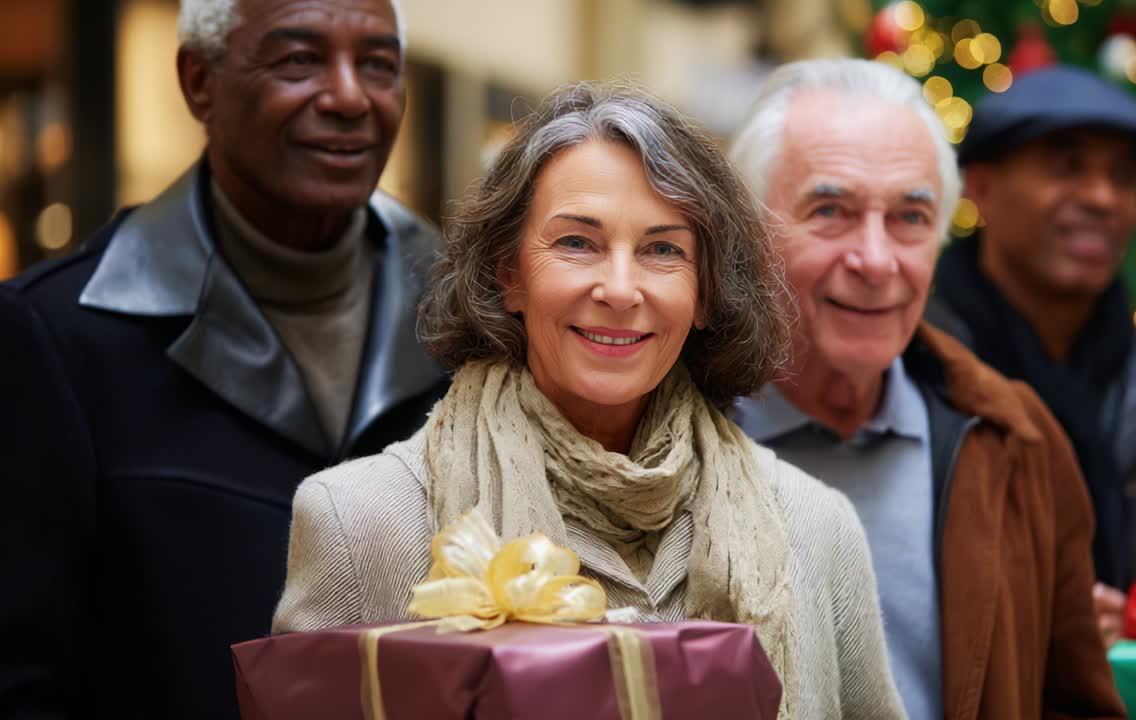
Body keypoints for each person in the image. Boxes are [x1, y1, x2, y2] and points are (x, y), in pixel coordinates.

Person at [272, 82, 907, 719]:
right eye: (577, 243)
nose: (621, 287)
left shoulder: (815, 527)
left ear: (707, 293)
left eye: (663, 250)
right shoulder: (359, 524)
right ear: (509, 273)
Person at [0, 1, 449, 717]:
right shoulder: (56, 336)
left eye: (377, 65)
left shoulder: (473, 325)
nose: (347, 96)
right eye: (299, 60)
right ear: (200, 81)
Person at [729, 59, 1125, 719]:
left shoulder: (1015, 442)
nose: (877, 261)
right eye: (831, 210)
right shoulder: (659, 445)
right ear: (747, 232)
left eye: (910, 218)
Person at [929, 64, 1136, 640]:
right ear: (982, 188)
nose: (1100, 197)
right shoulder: (907, 381)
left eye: (1122, 177)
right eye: (1067, 168)